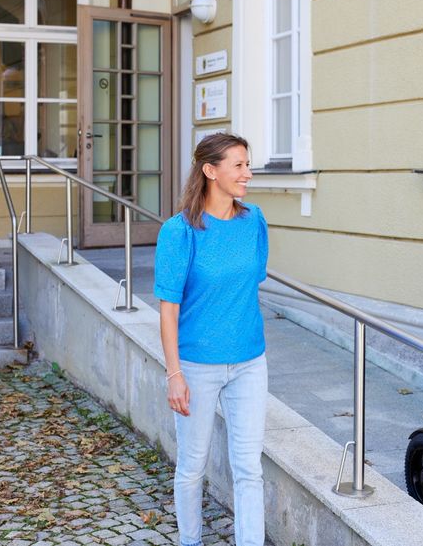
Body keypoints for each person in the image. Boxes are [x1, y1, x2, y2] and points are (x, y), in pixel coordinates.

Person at [154, 133, 269, 546]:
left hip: (250, 362)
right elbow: (168, 309)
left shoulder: (254, 220)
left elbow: (253, 280)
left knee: (249, 469)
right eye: (238, 165)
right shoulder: (179, 232)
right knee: (192, 466)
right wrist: (174, 374)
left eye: (247, 164)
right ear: (210, 171)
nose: (247, 173)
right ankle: (190, 541)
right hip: (197, 365)